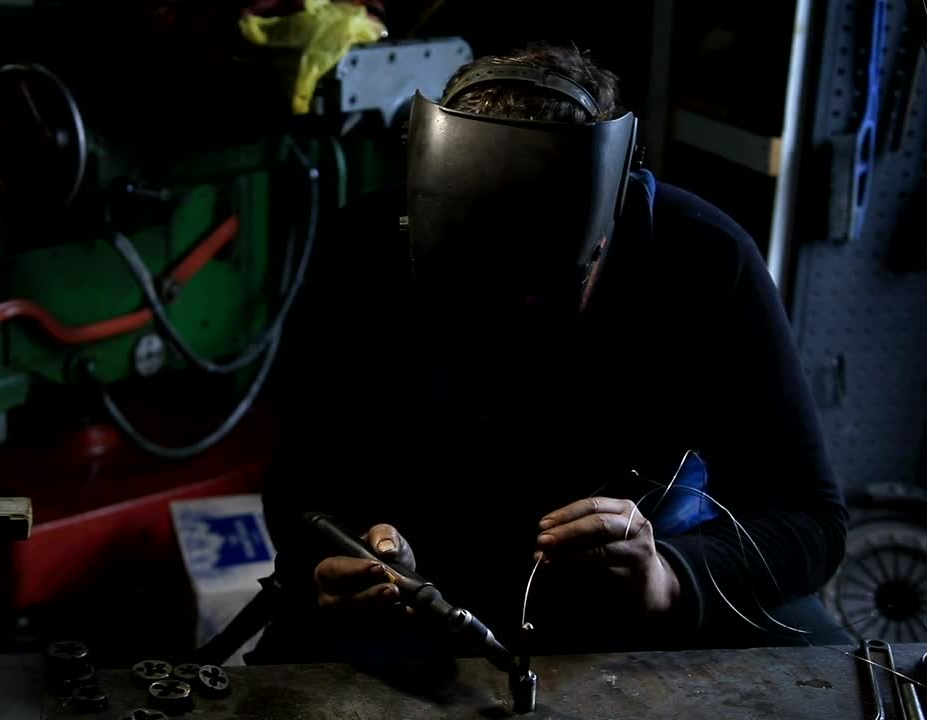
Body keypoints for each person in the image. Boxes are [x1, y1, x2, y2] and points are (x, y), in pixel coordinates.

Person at [251, 42, 849, 664]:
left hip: (620, 593)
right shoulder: (363, 250)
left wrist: (669, 578)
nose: (502, 327)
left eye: (539, 292)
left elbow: (810, 518)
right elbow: (298, 488)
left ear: (609, 224)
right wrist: (331, 560)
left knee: (828, 670)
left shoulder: (704, 261)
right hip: (413, 590)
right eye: (466, 286)